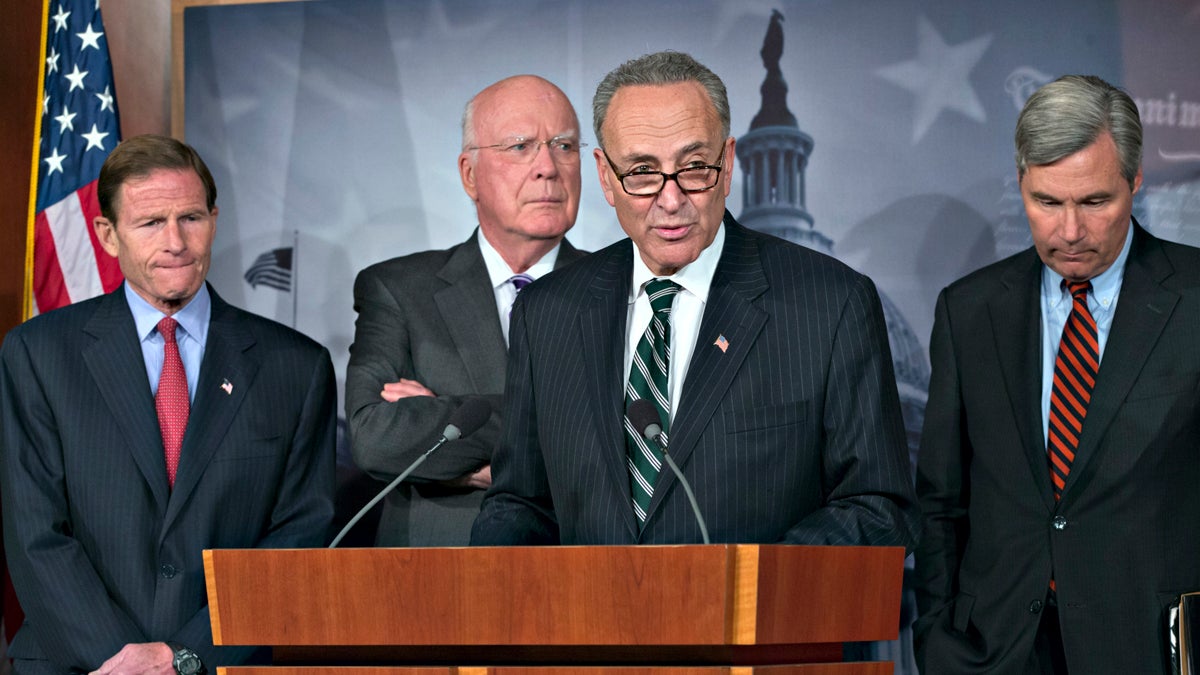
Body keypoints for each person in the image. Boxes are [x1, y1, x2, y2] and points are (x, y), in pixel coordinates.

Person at [470, 51, 918, 547]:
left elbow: (876, 506)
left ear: (727, 165)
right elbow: (522, 503)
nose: (670, 199)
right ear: (605, 176)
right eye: (642, 171)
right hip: (590, 623)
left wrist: (745, 589)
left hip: (758, 620)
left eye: (694, 167)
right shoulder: (548, 312)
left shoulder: (831, 305)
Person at [0, 135, 335, 673]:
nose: (176, 241)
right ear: (107, 236)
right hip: (77, 662)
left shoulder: (295, 366)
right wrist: (120, 659)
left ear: (215, 220)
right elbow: (35, 531)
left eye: (191, 218)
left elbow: (299, 537)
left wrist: (185, 655)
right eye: (151, 222)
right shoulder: (39, 354)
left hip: (230, 660)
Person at [913, 75, 1200, 674]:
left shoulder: (1194, 299)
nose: (1070, 231)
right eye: (1047, 202)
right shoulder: (968, 311)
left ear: (1135, 182)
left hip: (1151, 650)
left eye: (1095, 202)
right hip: (994, 653)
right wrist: (938, 639)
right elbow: (941, 502)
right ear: (1021, 184)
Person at [346, 75, 585, 547]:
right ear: (469, 174)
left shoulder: (626, 291)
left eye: (564, 145)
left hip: (583, 579)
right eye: (520, 146)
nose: (548, 167)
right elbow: (376, 439)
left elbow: (640, 445)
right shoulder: (397, 290)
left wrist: (445, 433)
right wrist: (560, 431)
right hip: (439, 585)